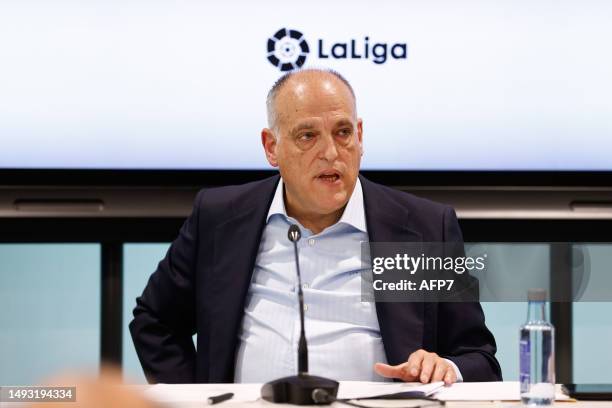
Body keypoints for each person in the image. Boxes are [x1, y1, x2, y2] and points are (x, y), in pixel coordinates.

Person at [130, 69, 501, 385]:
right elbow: (155, 321)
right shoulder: (221, 217)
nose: (331, 152)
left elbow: (479, 357)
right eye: (308, 136)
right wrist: (194, 400)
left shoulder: (420, 228)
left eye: (342, 133)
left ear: (360, 136)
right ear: (271, 147)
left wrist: (445, 367)